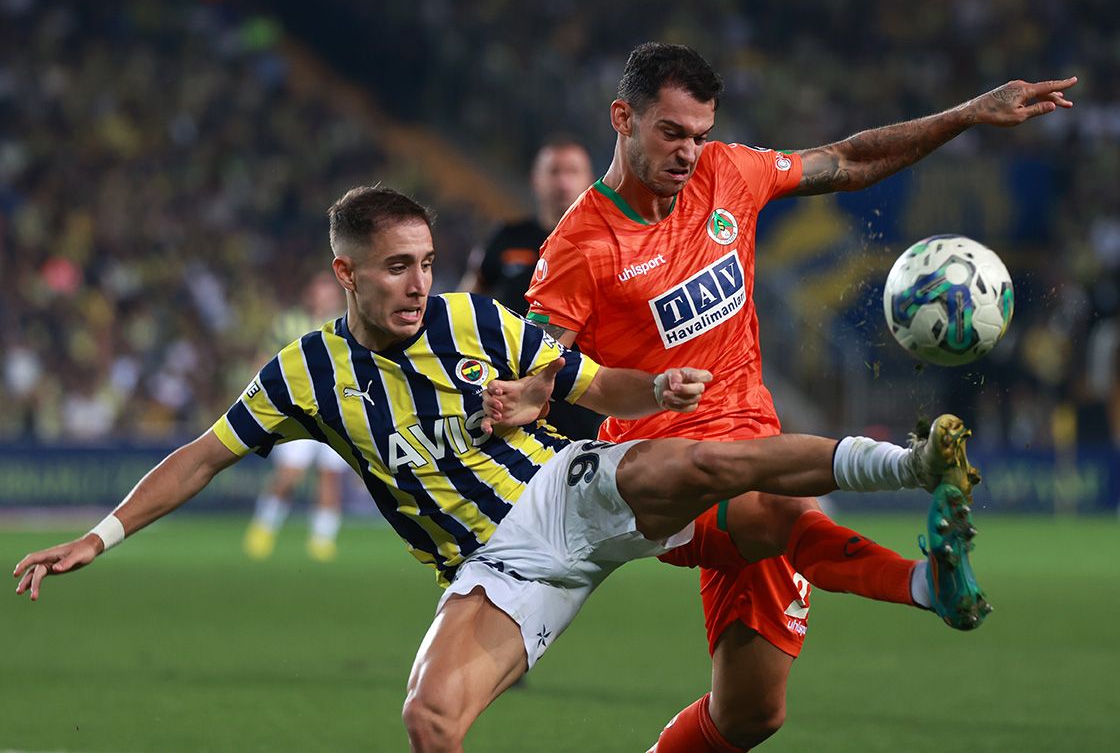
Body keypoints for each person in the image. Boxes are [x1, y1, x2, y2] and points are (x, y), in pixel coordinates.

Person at [14, 186, 973, 752]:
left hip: (565, 494)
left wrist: (654, 388)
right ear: (347, 273)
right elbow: (202, 455)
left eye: (426, 261)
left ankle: (907, 465)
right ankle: (919, 560)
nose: (418, 283)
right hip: (497, 568)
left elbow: (589, 385)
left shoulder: (475, 320)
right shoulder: (303, 374)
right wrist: (100, 535)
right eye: (396, 266)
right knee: (430, 719)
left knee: (730, 480)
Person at [524, 42, 1073, 751]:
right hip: (662, 477)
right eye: (671, 132)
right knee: (786, 505)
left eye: (700, 134)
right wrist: (512, 410)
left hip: (756, 440)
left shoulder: (727, 174)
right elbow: (540, 373)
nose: (688, 152)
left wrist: (967, 114)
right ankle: (924, 576)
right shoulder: (579, 244)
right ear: (623, 118)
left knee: (751, 712)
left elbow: (848, 161)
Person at [460, 136, 604, 441]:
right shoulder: (507, 237)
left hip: (586, 390)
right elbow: (467, 301)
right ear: (535, 180)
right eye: (553, 171)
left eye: (572, 171)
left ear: (589, 180)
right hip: (512, 387)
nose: (563, 182)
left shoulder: (607, 242)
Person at [243, 272, 349, 562]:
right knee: (289, 475)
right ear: (311, 294)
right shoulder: (288, 323)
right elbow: (264, 359)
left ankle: (322, 539)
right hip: (297, 412)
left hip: (337, 414)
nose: (325, 297)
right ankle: (264, 527)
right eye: (320, 291)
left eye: (330, 292)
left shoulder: (348, 323)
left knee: (330, 477)